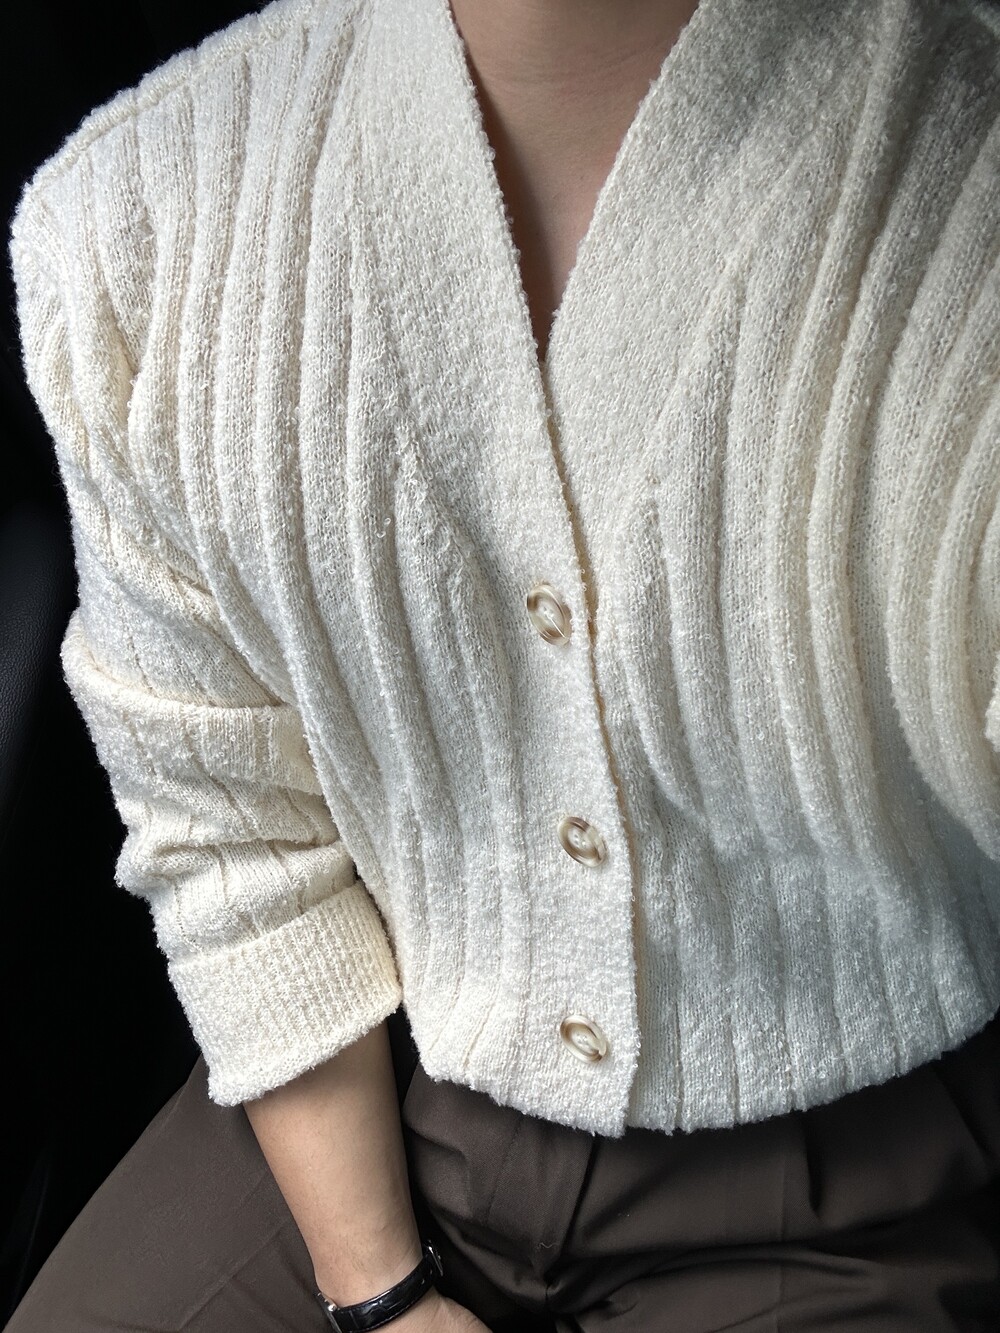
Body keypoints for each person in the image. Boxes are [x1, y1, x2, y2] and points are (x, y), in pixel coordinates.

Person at [6, 0, 1000, 1326]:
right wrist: (381, 1293)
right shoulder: (132, 223)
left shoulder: (961, 177)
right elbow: (231, 829)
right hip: (363, 1087)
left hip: (843, 1170)